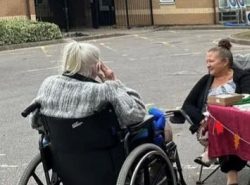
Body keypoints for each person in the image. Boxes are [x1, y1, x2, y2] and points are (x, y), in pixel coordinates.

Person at [29, 41, 170, 141]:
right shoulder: (104, 90)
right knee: (160, 120)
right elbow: (136, 114)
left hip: (65, 155)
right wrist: (114, 82)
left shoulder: (48, 84)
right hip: (105, 154)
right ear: (97, 67)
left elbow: (35, 122)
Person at [182, 39, 250, 185]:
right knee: (219, 127)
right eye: (206, 61)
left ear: (225, 62)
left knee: (225, 128)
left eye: (211, 61)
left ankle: (217, 159)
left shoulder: (243, 77)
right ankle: (225, 169)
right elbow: (187, 105)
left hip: (238, 125)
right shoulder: (206, 80)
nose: (208, 65)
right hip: (207, 127)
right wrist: (201, 121)